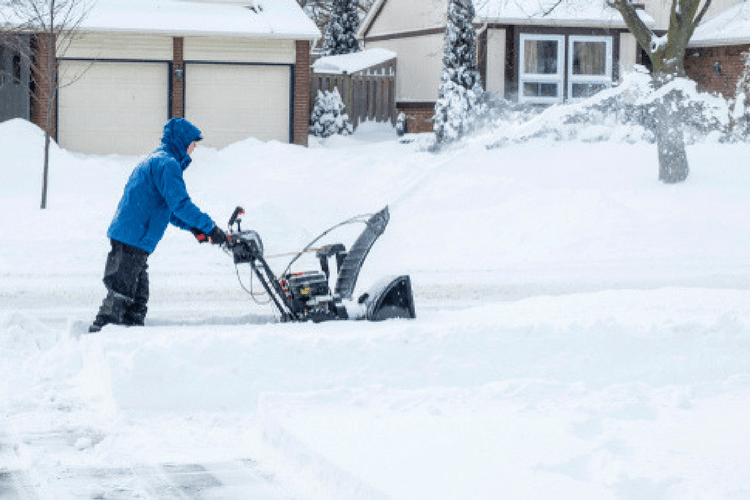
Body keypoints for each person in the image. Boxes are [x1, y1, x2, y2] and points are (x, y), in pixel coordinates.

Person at [89, 118, 227, 333]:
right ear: (182, 140)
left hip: (132, 236)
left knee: (137, 301)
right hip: (133, 237)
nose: (195, 146)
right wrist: (210, 228)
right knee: (121, 296)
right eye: (193, 141)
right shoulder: (167, 164)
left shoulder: (157, 160)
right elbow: (180, 204)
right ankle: (101, 338)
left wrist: (193, 227)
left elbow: (166, 209)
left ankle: (127, 340)